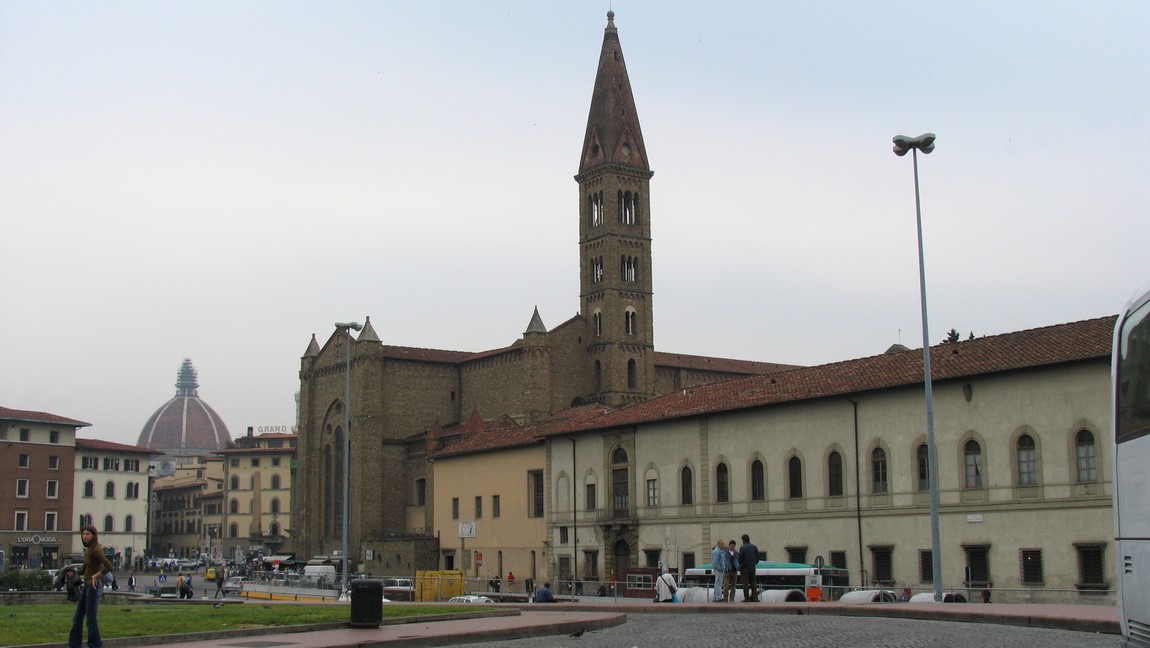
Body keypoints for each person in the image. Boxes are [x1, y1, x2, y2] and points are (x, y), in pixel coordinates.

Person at [68, 524, 115, 648]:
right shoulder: (89, 549)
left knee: (91, 619)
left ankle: (95, 645)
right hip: (87, 587)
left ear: (93, 536)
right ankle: (74, 645)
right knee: (77, 618)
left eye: (87, 534)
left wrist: (96, 576)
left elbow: (109, 566)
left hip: (93, 587)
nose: (85, 536)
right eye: (83, 534)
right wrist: (72, 573)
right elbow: (84, 569)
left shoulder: (96, 550)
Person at [738, 533, 760, 602]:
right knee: (753, 582)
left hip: (744, 568)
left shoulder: (742, 548)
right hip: (752, 567)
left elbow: (740, 558)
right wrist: (754, 563)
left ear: (743, 540)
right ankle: (755, 597)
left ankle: (747, 598)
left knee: (745, 583)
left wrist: (741, 564)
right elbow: (758, 558)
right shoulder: (754, 547)